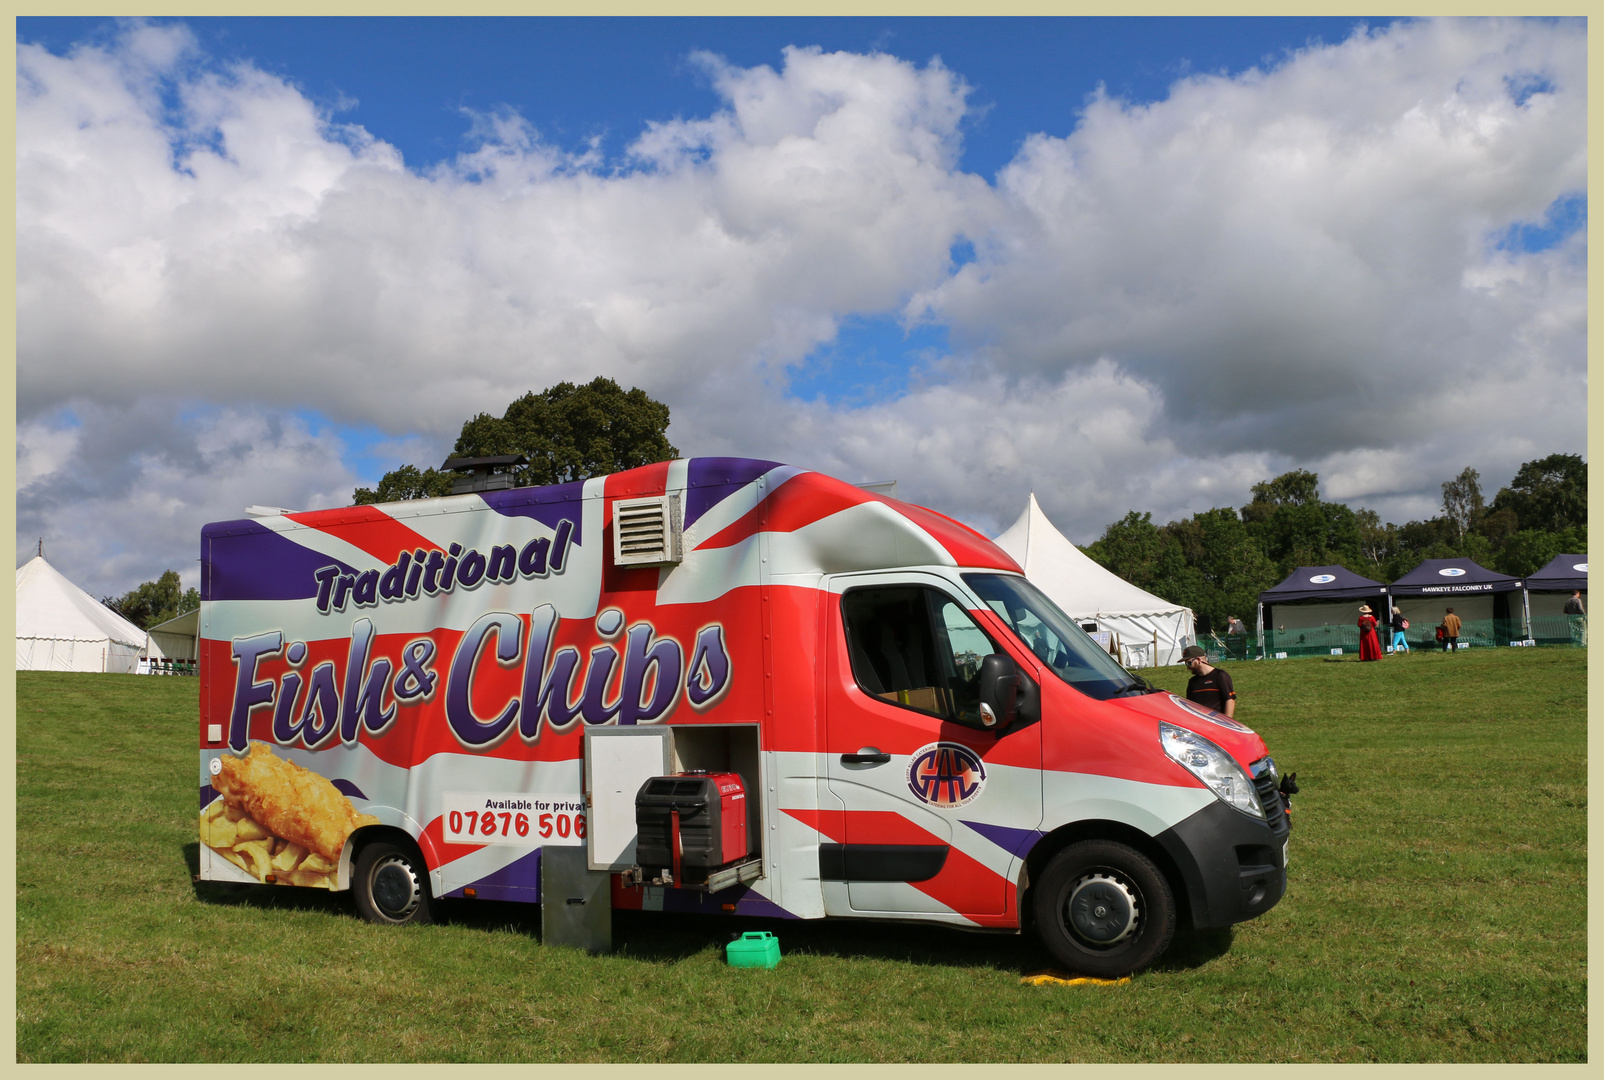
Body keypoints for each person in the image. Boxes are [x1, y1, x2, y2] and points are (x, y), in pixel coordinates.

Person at [1179, 644, 1235, 718]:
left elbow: (1230, 701)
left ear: (1198, 660)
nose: (1188, 667)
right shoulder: (1192, 682)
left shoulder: (1220, 676)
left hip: (1216, 723)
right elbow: (1189, 706)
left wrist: (1227, 724)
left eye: (1189, 663)